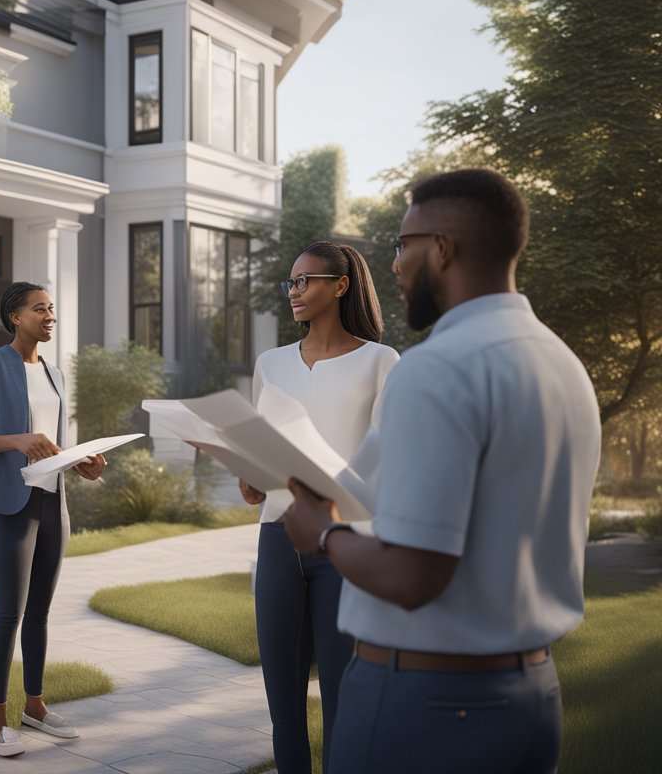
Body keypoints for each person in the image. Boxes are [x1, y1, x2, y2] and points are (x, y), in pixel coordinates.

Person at [281, 169, 601, 774]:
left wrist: (322, 536)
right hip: (531, 697)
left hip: (429, 707)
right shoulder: (563, 366)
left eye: (405, 247)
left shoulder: (437, 370)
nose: (398, 265)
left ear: (444, 248)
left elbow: (413, 576)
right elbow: (366, 485)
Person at [240, 241, 398, 774]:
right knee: (283, 707)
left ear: (341, 285)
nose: (295, 292)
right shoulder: (271, 363)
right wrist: (252, 477)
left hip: (346, 543)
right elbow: (265, 450)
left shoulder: (381, 362)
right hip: (278, 537)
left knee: (342, 703)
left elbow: (383, 462)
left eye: (306, 281)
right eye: (291, 282)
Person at [0, 281, 108, 758]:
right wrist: (15, 439)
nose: (49, 316)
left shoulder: (56, 374)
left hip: (52, 504)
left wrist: (85, 465)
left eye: (51, 308)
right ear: (15, 317)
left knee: (39, 614)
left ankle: (34, 707)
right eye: (40, 309)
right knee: (8, 615)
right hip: (9, 507)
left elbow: (52, 443)